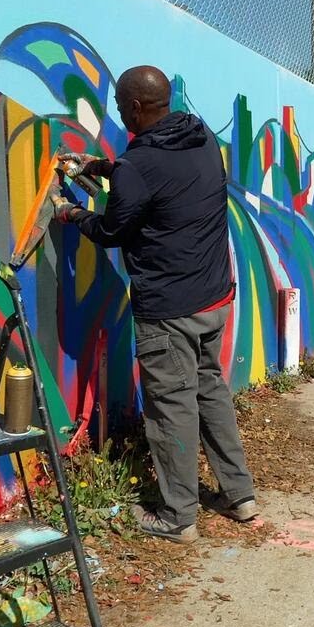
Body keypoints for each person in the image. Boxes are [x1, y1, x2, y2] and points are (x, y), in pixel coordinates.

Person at [52, 65, 257, 543]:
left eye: (123, 108)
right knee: (210, 392)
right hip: (215, 298)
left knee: (170, 410)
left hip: (170, 311)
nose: (122, 115)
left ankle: (178, 516)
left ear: (139, 107)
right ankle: (240, 495)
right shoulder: (200, 137)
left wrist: (72, 213)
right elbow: (162, 185)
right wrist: (104, 168)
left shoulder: (137, 167)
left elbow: (111, 231)